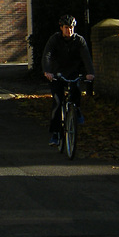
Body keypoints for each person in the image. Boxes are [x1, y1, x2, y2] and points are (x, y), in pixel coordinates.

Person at [42, 14, 95, 146]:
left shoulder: (79, 40)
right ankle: (55, 134)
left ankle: (76, 110)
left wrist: (90, 73)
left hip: (73, 72)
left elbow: (86, 57)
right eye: (66, 28)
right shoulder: (55, 39)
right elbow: (47, 55)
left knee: (76, 90)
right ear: (61, 28)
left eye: (71, 28)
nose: (69, 30)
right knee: (58, 101)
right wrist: (47, 71)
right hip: (57, 74)